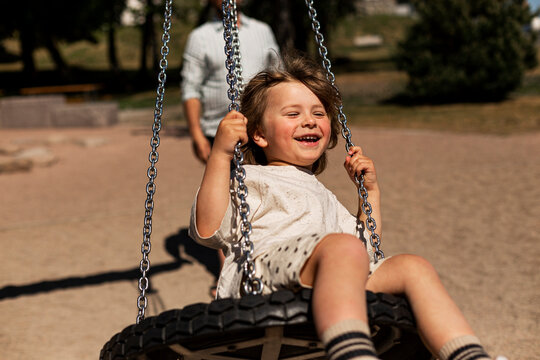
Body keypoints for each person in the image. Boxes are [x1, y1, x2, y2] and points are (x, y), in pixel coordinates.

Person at [189, 56, 502, 360]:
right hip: (261, 282)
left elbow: (366, 249)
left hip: (321, 277)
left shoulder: (324, 196)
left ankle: (468, 354)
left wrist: (370, 193)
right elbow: (207, 228)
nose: (309, 120)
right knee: (342, 247)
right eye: (292, 114)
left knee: (411, 266)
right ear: (258, 133)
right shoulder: (251, 178)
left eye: (318, 112)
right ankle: (351, 352)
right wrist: (220, 155)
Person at [181, 0, 280, 164]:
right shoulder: (200, 37)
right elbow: (191, 89)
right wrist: (196, 134)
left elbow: (277, 74)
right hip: (218, 131)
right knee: (225, 187)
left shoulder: (263, 31)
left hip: (262, 129)